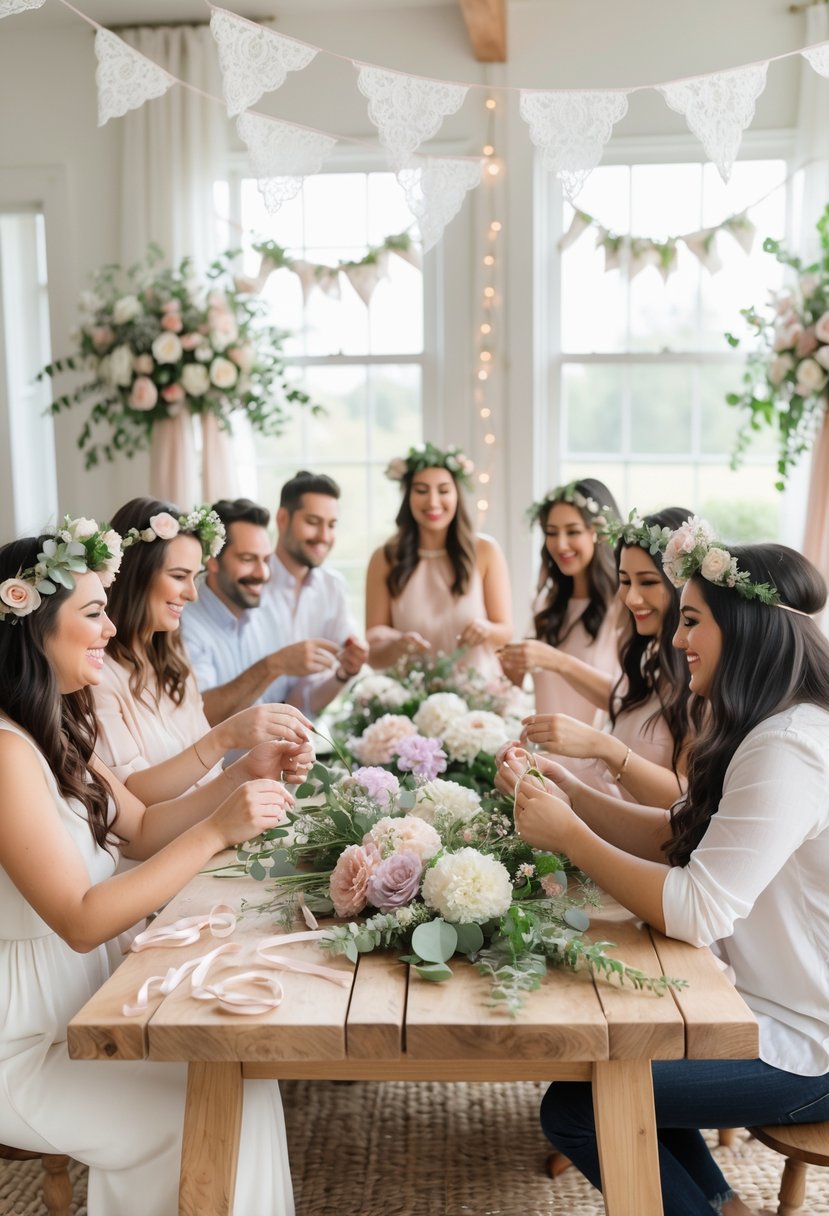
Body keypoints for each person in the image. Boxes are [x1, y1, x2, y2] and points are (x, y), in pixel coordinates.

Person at [497, 518, 829, 1216]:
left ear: (743, 629)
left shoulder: (788, 747)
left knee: (579, 1107)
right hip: (757, 1004)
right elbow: (680, 834)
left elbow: (695, 907)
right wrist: (569, 794)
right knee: (610, 1065)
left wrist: (573, 838)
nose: (676, 641)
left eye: (691, 621)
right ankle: (723, 1206)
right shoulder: (769, 726)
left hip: (808, 1044)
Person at [0, 516, 299, 1215]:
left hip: (93, 1010)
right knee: (208, 1112)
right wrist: (216, 833)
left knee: (241, 1081)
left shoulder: (56, 728)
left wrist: (244, 775)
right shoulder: (6, 752)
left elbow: (136, 828)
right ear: (31, 623)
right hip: (26, 1042)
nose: (110, 629)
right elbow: (78, 920)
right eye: (94, 612)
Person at [94, 497, 313, 800]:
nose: (193, 594)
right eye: (179, 576)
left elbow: (206, 783)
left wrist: (260, 767)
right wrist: (226, 735)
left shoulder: (174, 660)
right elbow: (131, 800)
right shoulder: (99, 676)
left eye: (194, 577)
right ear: (136, 573)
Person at [519, 508, 702, 807]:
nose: (631, 598)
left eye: (647, 581)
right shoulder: (651, 662)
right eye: (625, 581)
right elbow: (620, 700)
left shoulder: (705, 678)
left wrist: (600, 745)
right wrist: (540, 768)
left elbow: (685, 801)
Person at [181, 493, 364, 727]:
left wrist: (342, 675)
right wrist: (273, 665)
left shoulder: (266, 612)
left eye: (266, 560)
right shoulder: (185, 624)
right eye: (248, 559)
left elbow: (295, 702)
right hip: (220, 765)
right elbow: (199, 715)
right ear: (212, 560)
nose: (263, 574)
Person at [365, 442, 512, 678]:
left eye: (443, 491)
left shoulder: (485, 551)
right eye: (421, 491)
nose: (433, 502)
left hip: (478, 693)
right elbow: (373, 654)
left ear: (457, 495)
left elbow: (505, 632)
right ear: (408, 496)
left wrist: (486, 629)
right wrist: (396, 646)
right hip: (409, 700)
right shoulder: (385, 558)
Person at [500, 478, 624, 727]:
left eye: (573, 531)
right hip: (543, 759)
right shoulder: (546, 603)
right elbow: (521, 688)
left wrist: (556, 661)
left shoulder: (623, 607)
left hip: (600, 759)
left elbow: (625, 701)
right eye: (551, 533)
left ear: (600, 534)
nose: (560, 544)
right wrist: (510, 670)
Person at [263, 472, 368, 717]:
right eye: (313, 522)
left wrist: (346, 671)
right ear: (282, 519)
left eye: (331, 525)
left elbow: (307, 700)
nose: (324, 536)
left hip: (301, 739)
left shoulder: (332, 587)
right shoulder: (250, 583)